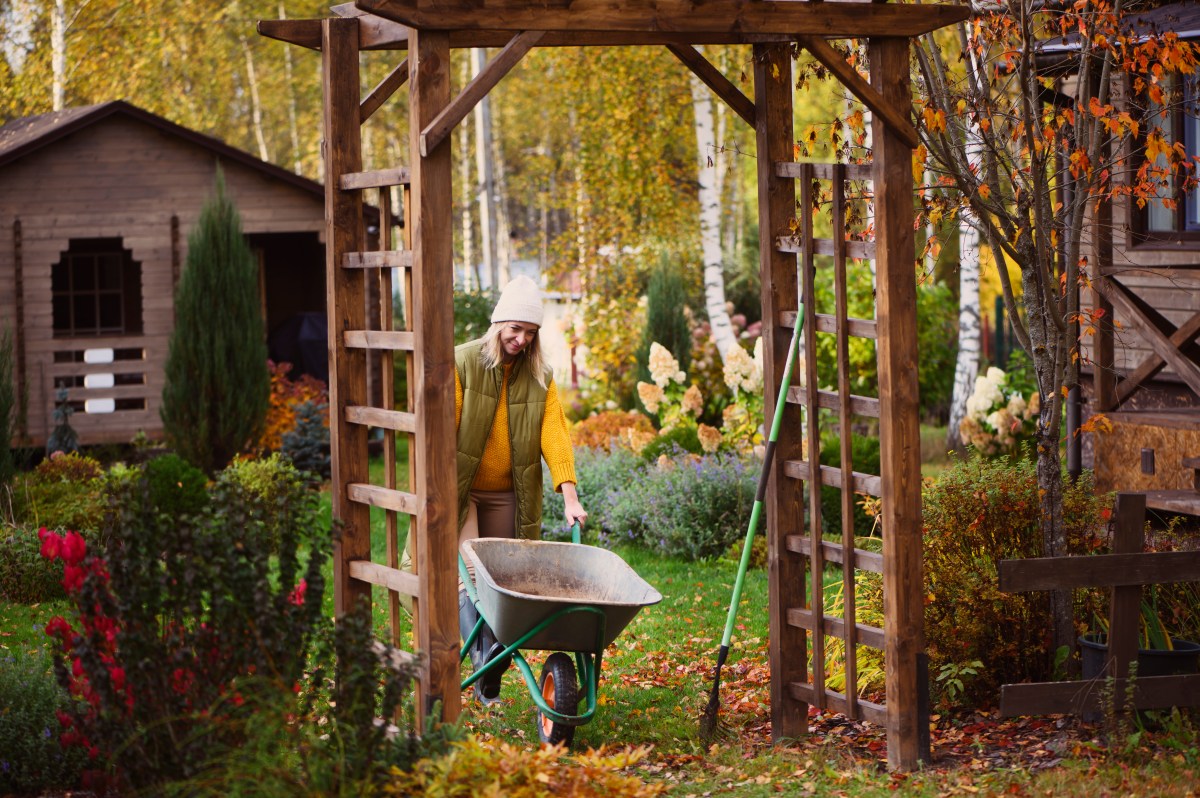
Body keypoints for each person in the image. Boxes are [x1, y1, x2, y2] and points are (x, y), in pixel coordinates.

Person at [456, 275, 587, 703]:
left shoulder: (539, 375)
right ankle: (485, 661)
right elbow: (440, 428)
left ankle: (489, 661)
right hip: (462, 489)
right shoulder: (462, 363)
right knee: (472, 572)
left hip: (508, 492)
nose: (521, 339)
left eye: (530, 333)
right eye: (515, 329)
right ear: (498, 324)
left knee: (502, 579)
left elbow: (554, 434)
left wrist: (569, 495)